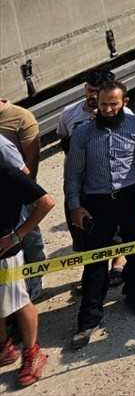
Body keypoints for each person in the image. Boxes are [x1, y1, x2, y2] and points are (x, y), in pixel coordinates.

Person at [64, 82, 135, 349]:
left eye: (113, 104)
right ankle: (89, 319)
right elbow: (73, 174)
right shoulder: (83, 133)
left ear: (124, 102)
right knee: (95, 261)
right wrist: (75, 206)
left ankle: (134, 293)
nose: (107, 109)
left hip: (130, 198)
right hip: (97, 203)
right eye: (103, 104)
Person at [56, 70, 126, 282]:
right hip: (79, 183)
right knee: (82, 229)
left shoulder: (124, 114)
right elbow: (64, 139)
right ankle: (92, 273)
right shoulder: (69, 113)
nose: (93, 96)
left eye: (98, 91)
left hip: (108, 183)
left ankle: (118, 262)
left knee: (115, 228)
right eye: (90, 90)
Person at [0, 164, 53, 387]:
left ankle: (33, 353)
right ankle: (4, 349)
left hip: (5, 253)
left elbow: (46, 202)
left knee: (19, 302)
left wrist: (17, 236)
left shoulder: (6, 172)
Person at [0, 100, 44, 302]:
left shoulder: (4, 143)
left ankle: (34, 281)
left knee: (28, 235)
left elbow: (26, 168)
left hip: (13, 196)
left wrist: (27, 194)